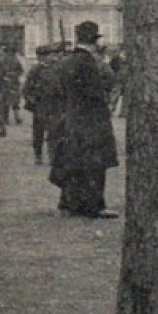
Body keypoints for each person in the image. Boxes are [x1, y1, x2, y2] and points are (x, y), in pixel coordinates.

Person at [48, 21, 119, 218]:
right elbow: (95, 93)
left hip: (71, 118)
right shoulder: (89, 62)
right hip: (91, 119)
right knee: (95, 164)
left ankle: (69, 203)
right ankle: (94, 205)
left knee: (73, 162)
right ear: (93, 41)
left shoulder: (66, 61)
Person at [22, 44, 60, 165]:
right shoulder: (35, 70)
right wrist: (32, 100)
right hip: (40, 105)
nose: (52, 57)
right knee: (38, 132)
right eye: (49, 55)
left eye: (52, 54)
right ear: (41, 57)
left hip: (54, 104)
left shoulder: (56, 68)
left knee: (54, 131)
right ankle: (38, 154)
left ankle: (53, 155)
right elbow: (26, 89)